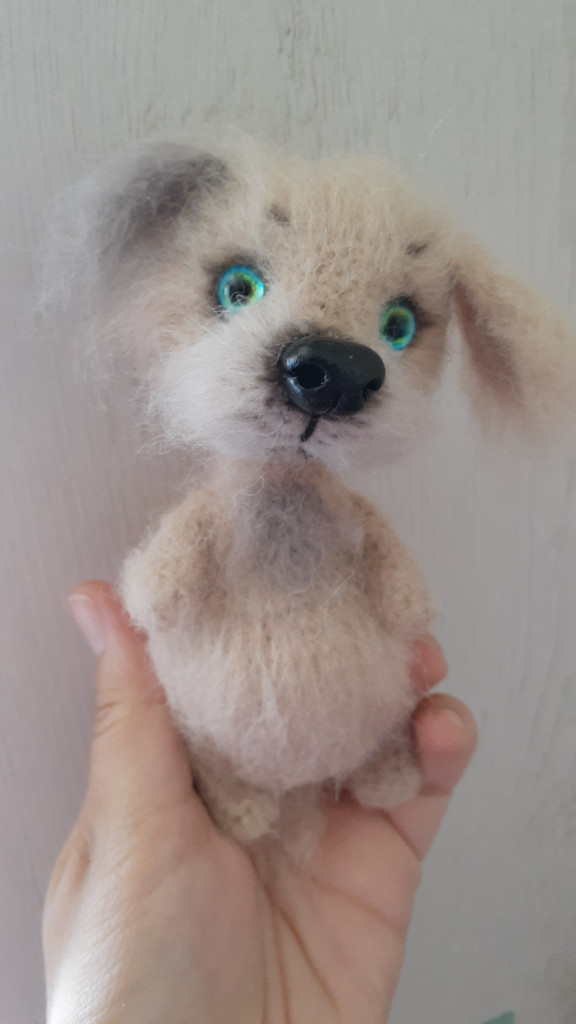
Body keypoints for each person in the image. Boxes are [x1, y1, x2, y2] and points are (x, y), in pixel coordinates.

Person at [43, 580, 477, 1024]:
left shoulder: (348, 549)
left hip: (348, 716)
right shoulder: (210, 546)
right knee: (211, 741)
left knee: (398, 699)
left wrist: (400, 594)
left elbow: (399, 591)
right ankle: (233, 790)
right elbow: (164, 588)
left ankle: (375, 757)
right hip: (233, 733)